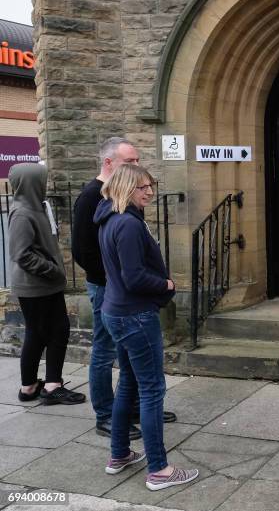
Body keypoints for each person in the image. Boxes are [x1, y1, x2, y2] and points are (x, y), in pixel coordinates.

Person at [94, 164, 198, 491]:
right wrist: (166, 283)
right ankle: (159, 470)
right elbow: (134, 277)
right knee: (153, 389)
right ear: (126, 187)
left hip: (119, 312)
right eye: (143, 187)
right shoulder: (126, 224)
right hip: (134, 316)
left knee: (128, 383)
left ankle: (120, 454)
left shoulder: (112, 219)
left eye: (151, 185)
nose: (149, 192)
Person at [72, 137, 176, 439]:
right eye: (129, 162)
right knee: (104, 352)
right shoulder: (92, 196)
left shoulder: (125, 198)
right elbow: (83, 251)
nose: (136, 167)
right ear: (109, 163)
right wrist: (114, 278)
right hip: (110, 289)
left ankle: (132, 407)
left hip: (125, 290)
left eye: (137, 161)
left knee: (129, 361)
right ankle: (105, 414)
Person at [8, 162, 86, 405]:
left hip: (47, 284)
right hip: (35, 285)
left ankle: (41, 385)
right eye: (42, 180)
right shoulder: (22, 212)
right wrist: (52, 270)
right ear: (31, 183)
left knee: (54, 330)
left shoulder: (39, 207)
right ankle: (40, 387)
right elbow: (21, 254)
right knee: (41, 333)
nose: (46, 184)